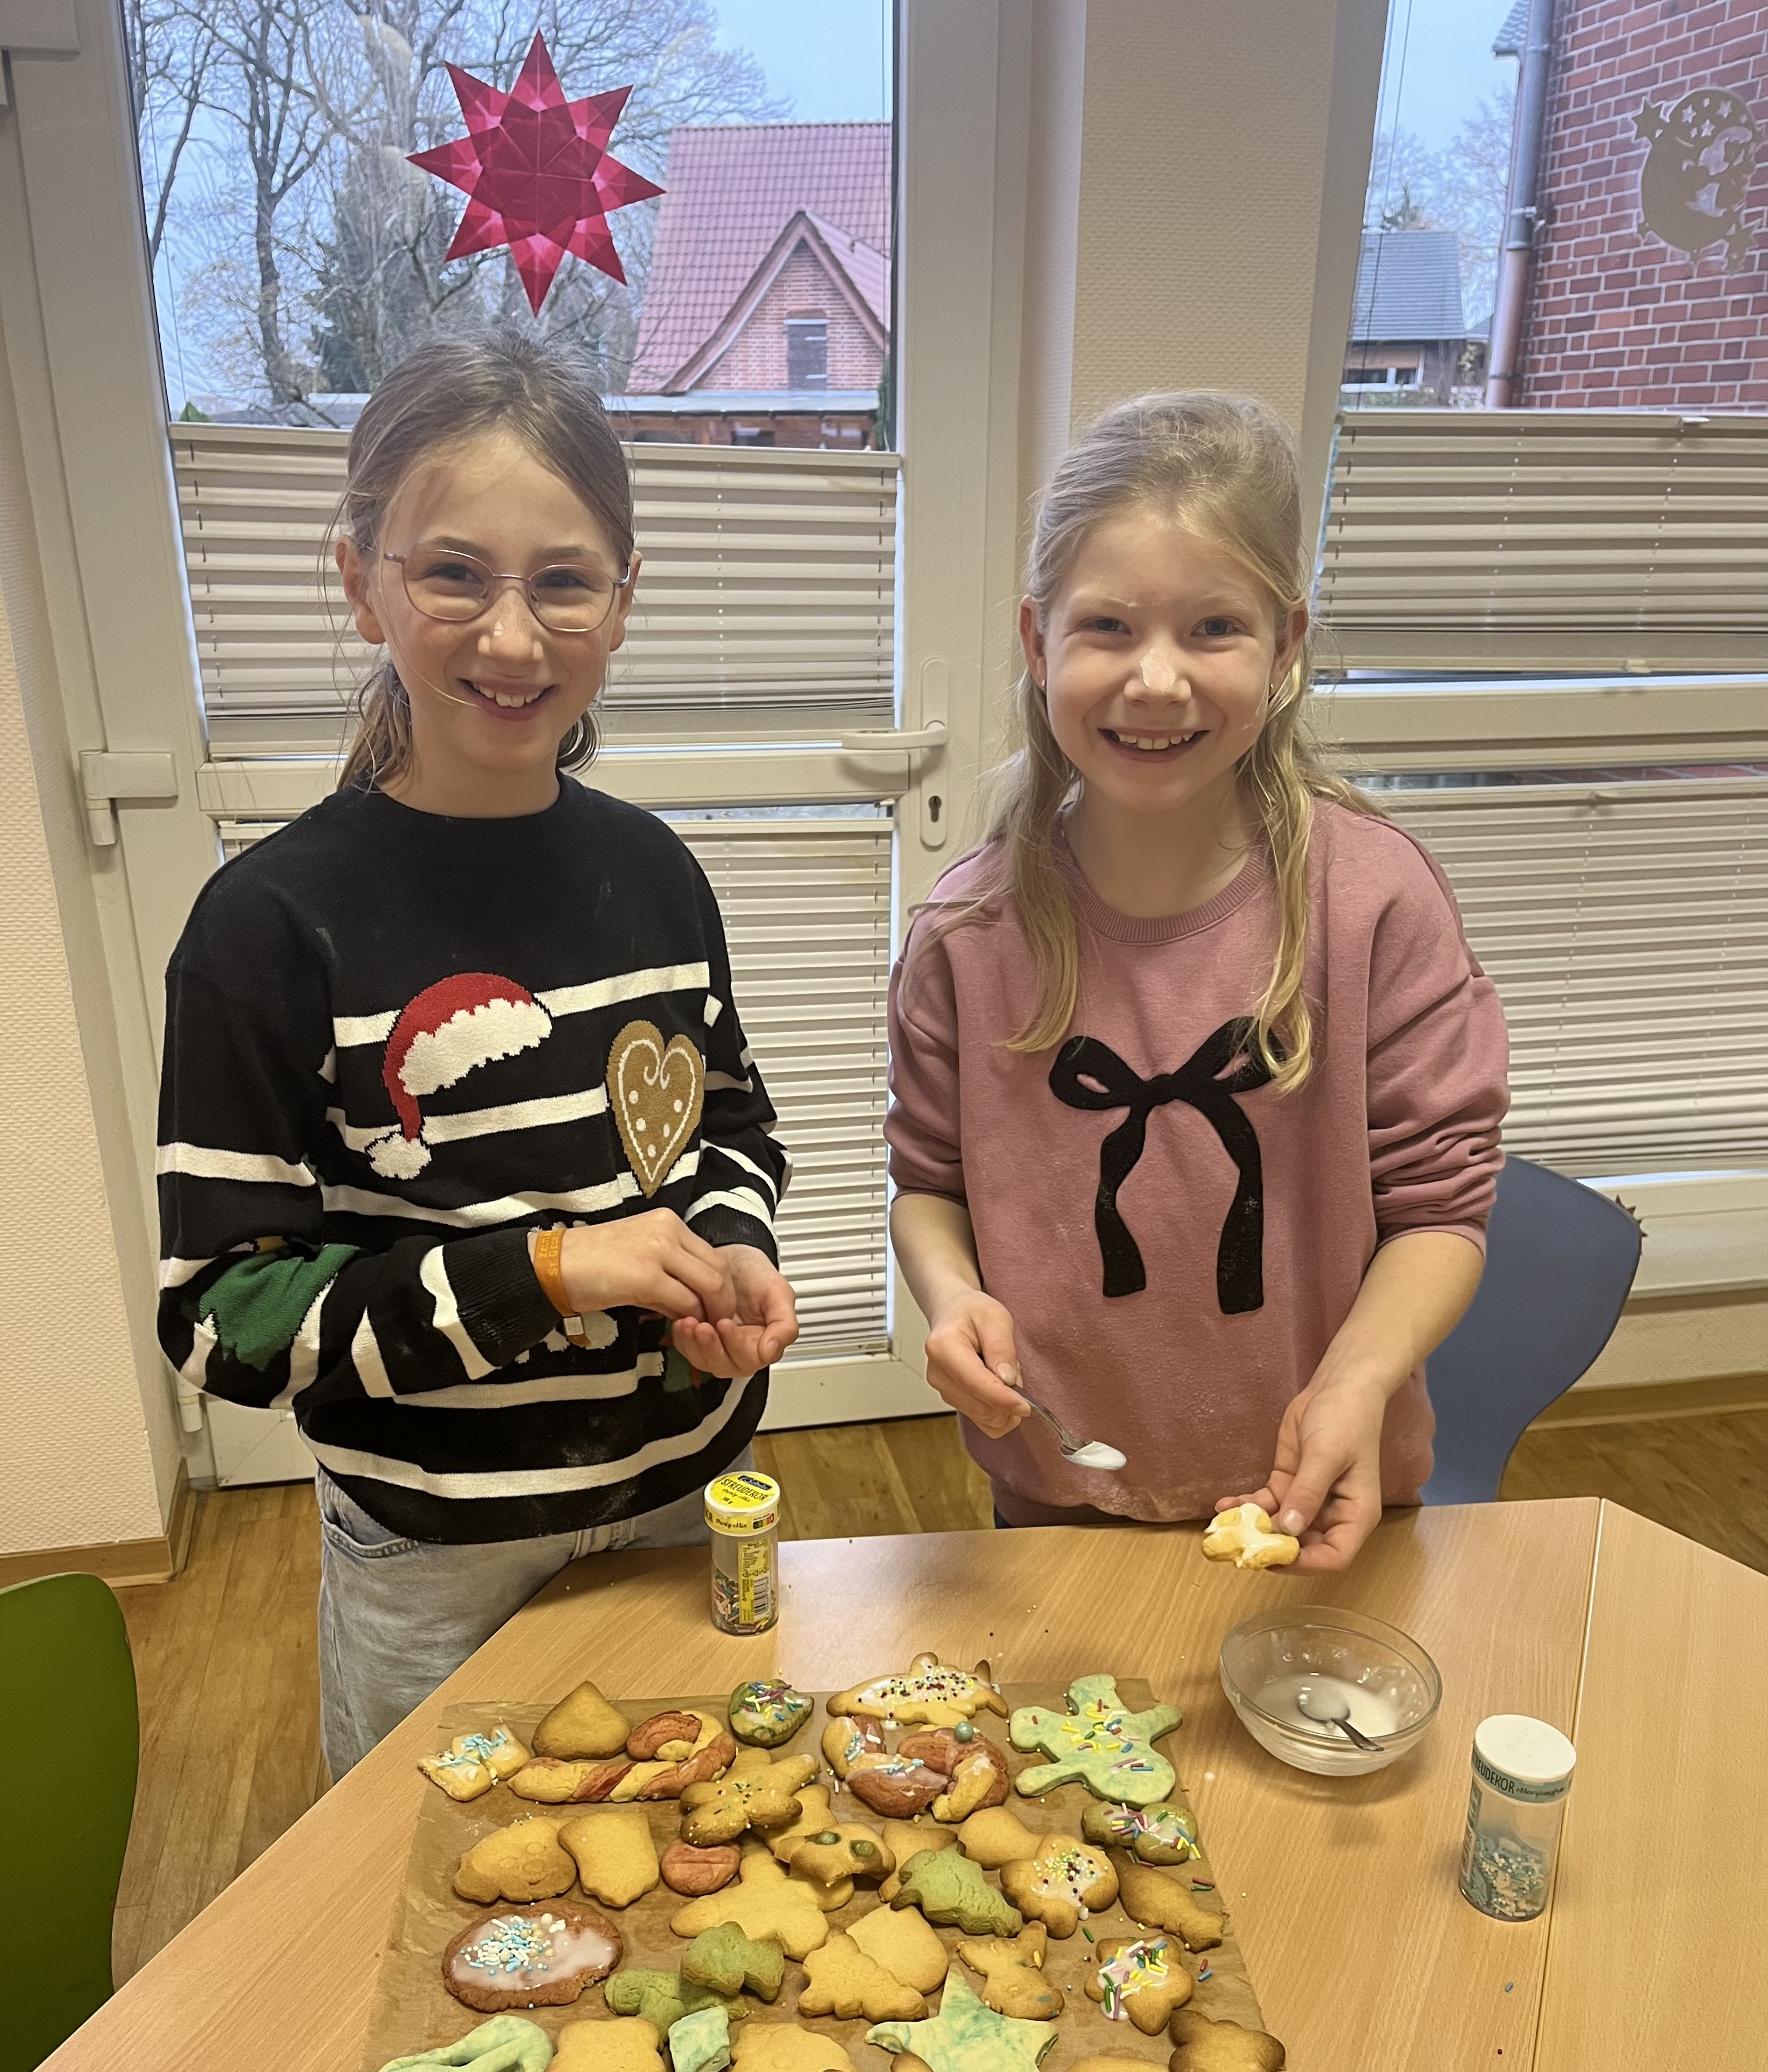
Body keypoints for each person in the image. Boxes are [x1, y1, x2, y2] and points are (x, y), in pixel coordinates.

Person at [157, 332, 797, 1778]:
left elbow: (732, 1131)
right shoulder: (266, 926)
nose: (512, 638)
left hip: (688, 1497)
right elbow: (222, 1318)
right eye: (453, 574)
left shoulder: (657, 874)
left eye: (562, 581)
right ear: (359, 581)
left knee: (691, 1881)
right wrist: (557, 1271)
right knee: (436, 1898)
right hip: (428, 1552)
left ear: (621, 604)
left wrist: (719, 1249)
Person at [886, 392, 1508, 1572]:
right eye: (1108, 627)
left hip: (1324, 1483)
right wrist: (949, 1292)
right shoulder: (966, 931)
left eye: (1211, 628)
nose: (1156, 681)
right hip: (1060, 1498)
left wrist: (1358, 1382)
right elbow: (926, 1182)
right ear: (1036, 640)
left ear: (1284, 645)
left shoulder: (1373, 903)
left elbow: (1438, 1209)